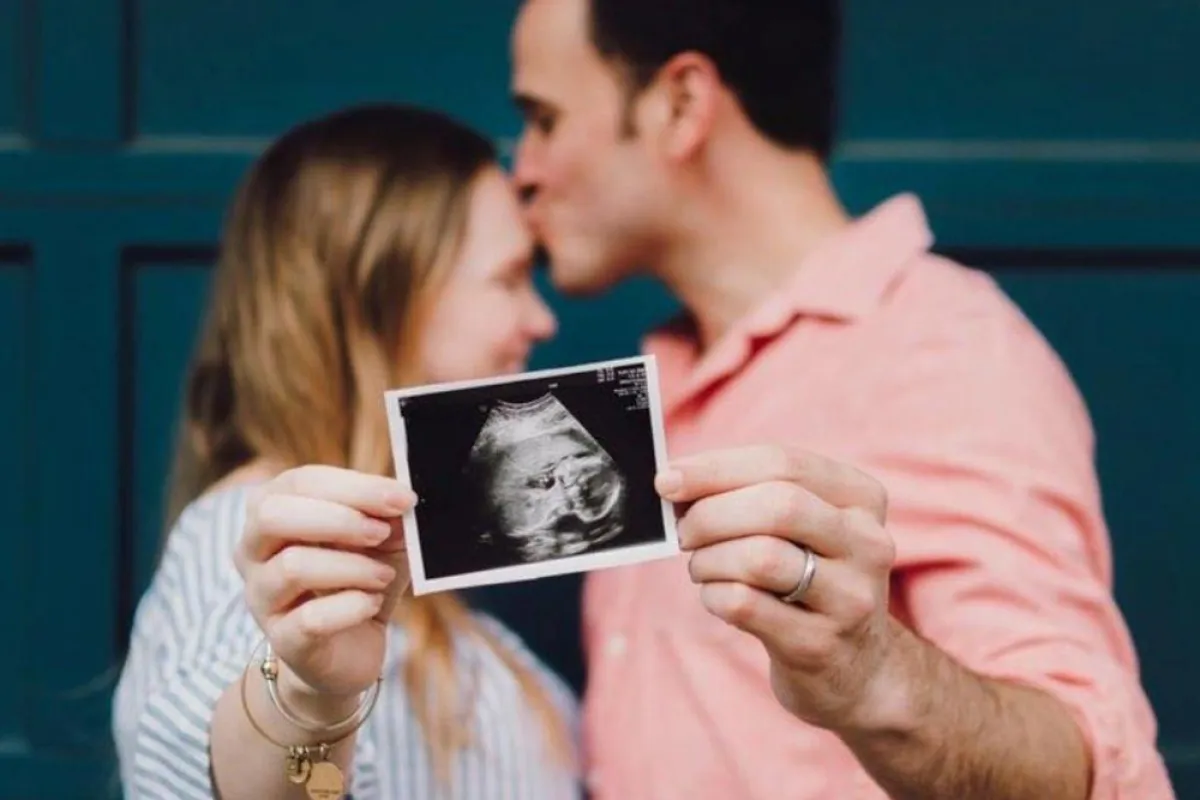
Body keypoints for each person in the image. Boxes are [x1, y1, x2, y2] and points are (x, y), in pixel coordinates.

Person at [505, 0, 1177, 798]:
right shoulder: (661, 379)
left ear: (682, 104)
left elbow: (1087, 764)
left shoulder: (939, 349)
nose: (525, 171)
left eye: (545, 119)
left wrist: (869, 673)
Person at [111, 104, 580, 799]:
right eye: (508, 277)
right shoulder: (260, 548)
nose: (542, 319)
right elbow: (230, 776)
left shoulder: (425, 592)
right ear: (378, 297)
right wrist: (309, 698)